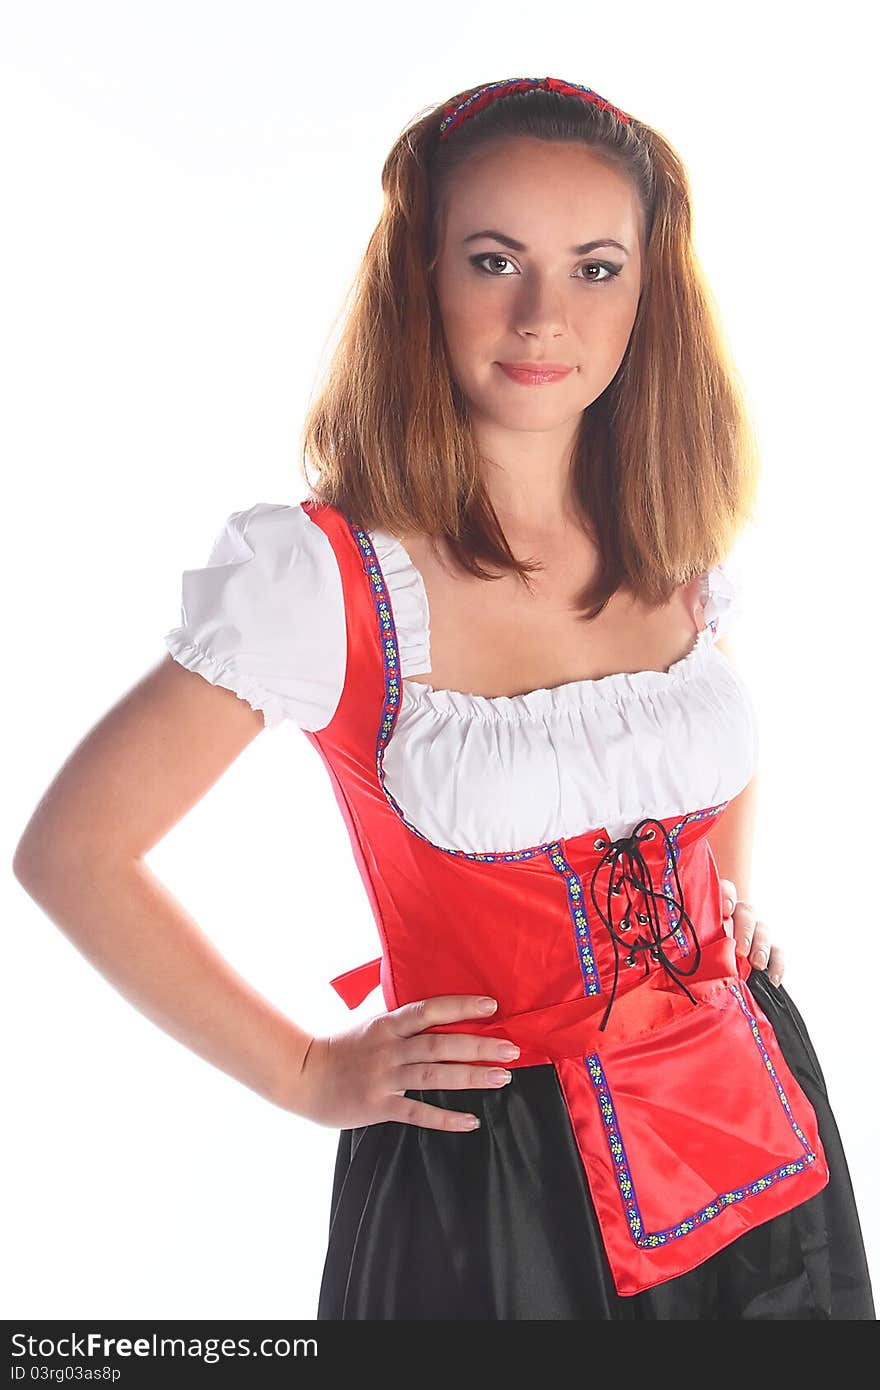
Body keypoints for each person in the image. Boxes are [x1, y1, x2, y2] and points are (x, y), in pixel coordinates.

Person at [13, 76, 874, 1320]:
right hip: (495, 1182)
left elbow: (702, 757)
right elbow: (74, 852)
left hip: (750, 1125)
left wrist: (721, 909)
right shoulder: (329, 580)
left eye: (594, 267)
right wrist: (306, 1070)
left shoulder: (668, 529)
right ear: (421, 275)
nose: (541, 316)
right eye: (493, 259)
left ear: (646, 291)